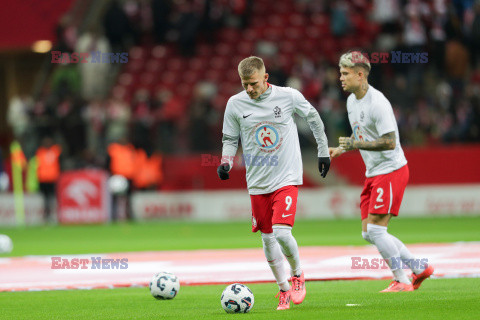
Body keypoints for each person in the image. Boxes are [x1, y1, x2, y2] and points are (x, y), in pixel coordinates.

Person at [217, 56, 330, 310]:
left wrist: (323, 150)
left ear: (265, 78)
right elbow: (229, 137)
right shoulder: (235, 104)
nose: (249, 89)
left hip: (286, 176)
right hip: (257, 182)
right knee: (267, 240)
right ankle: (283, 289)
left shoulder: (288, 96)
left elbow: (313, 117)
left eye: (254, 83)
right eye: (245, 84)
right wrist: (225, 161)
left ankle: (298, 274)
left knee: (281, 232)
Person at [330, 51, 434, 292]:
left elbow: (389, 141)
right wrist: (342, 149)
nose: (341, 78)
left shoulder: (378, 102)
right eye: (340, 73)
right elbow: (360, 134)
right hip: (374, 172)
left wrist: (355, 144)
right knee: (369, 233)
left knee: (377, 230)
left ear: (359, 74)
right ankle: (419, 268)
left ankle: (401, 279)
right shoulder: (351, 101)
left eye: (345, 73)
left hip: (391, 170)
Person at [36, 137, 62, 223]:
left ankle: (54, 216)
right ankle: (47, 216)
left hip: (52, 178)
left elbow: (61, 148)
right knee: (45, 199)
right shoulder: (40, 152)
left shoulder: (54, 151)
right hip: (43, 179)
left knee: (52, 198)